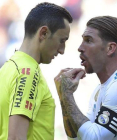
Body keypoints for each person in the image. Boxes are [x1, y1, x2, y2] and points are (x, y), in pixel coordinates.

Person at [54, 16, 117, 140]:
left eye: (88, 40)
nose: (80, 48)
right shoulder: (100, 89)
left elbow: (93, 138)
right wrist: (63, 95)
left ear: (110, 48)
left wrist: (67, 95)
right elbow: (77, 137)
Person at [0, 2, 72, 140]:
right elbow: (16, 137)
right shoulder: (28, 73)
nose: (62, 50)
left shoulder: (8, 68)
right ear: (43, 33)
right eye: (61, 40)